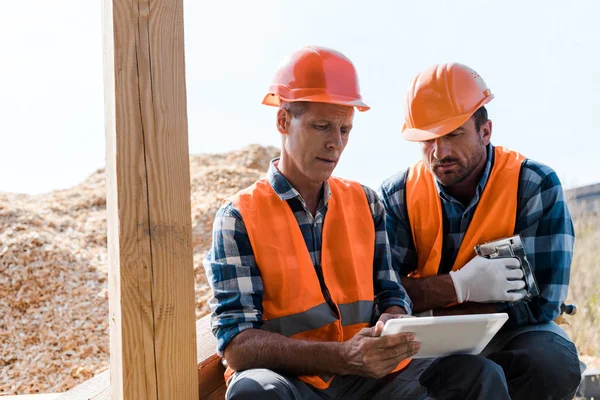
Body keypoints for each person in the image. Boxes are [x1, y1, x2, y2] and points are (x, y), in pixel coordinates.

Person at [203, 47, 511, 400]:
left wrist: (392, 321)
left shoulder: (366, 202)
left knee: (477, 375)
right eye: (322, 127)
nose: (335, 143)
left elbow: (390, 292)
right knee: (255, 391)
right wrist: (341, 357)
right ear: (283, 122)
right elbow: (237, 343)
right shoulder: (239, 217)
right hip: (295, 381)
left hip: (370, 378)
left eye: (345, 130)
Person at [379, 62, 583, 400]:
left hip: (512, 333)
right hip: (427, 340)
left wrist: (430, 300)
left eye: (453, 134)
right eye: (427, 139)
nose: (439, 152)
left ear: (485, 131)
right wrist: (460, 287)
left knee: (552, 362)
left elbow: (544, 302)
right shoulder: (397, 195)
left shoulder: (533, 185)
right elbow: (382, 293)